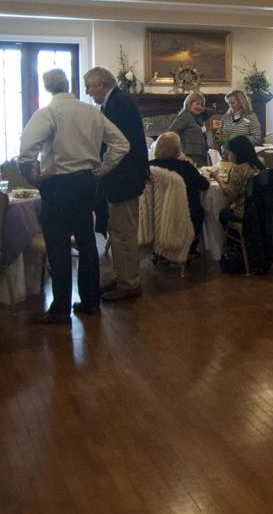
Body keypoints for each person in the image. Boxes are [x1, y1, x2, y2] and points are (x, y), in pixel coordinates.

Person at [20, 68, 129, 325]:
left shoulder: (48, 113)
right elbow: (122, 144)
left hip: (57, 184)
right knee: (86, 241)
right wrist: (103, 168)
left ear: (47, 87)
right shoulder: (92, 111)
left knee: (58, 244)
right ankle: (90, 301)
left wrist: (31, 174)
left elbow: (26, 150)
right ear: (68, 84)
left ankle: (60, 307)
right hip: (86, 183)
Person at [83, 66, 149, 302]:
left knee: (123, 233)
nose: (87, 91)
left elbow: (122, 144)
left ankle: (129, 283)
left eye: (89, 86)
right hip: (124, 177)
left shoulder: (118, 104)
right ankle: (124, 277)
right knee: (120, 231)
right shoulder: (116, 102)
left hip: (124, 177)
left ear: (101, 84)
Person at [148, 131, 210, 250]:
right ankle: (191, 249)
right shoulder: (185, 167)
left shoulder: (149, 167)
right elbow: (204, 185)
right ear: (177, 149)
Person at [213, 135, 264, 224]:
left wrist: (218, 179)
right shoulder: (258, 164)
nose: (228, 154)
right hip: (260, 210)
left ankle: (233, 232)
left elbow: (231, 194)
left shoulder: (239, 169)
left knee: (223, 213)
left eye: (230, 151)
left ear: (237, 153)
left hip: (245, 212)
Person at [169, 92, 211, 167]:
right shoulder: (185, 116)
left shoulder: (196, 117)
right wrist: (179, 151)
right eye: (197, 104)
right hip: (189, 155)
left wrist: (201, 108)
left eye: (202, 105)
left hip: (200, 154)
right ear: (189, 103)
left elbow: (211, 111)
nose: (200, 107)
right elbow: (172, 132)